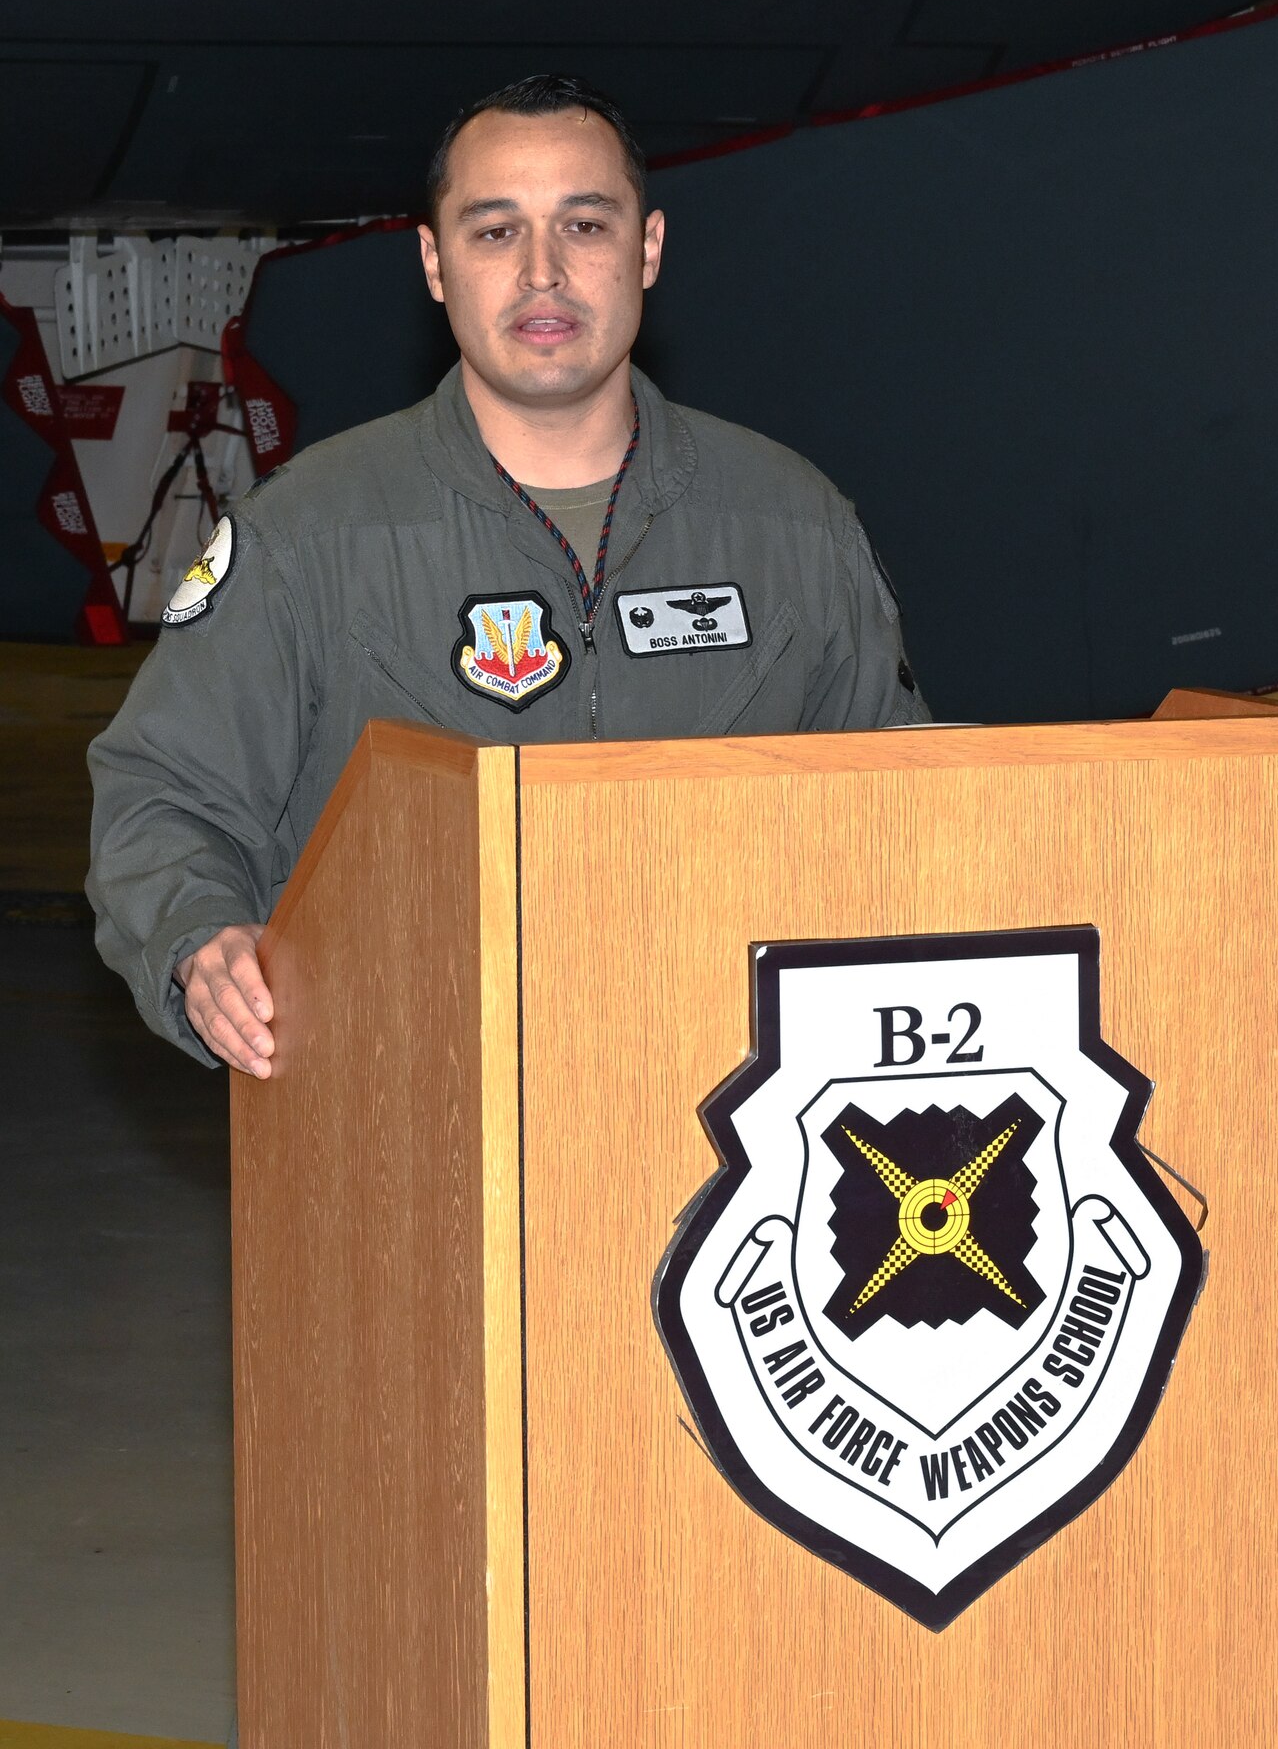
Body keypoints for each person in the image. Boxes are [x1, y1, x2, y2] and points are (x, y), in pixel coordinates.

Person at [87, 75, 929, 1078]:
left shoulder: (792, 526)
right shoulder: (308, 536)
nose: (543, 272)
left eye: (584, 224)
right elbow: (163, 792)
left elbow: (906, 812)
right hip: (406, 1113)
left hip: (741, 1128)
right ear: (435, 264)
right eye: (495, 232)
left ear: (648, 248)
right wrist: (199, 940)